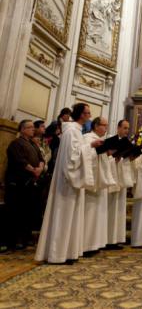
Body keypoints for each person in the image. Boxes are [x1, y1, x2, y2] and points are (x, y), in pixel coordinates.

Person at [35, 103, 102, 264]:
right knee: (63, 217)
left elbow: (78, 152)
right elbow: (72, 157)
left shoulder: (76, 131)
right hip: (67, 182)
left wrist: (89, 147)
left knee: (71, 217)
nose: (89, 116)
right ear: (81, 115)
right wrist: (91, 146)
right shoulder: (71, 131)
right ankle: (57, 254)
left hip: (73, 181)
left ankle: (68, 252)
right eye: (87, 113)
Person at [4, 120, 44, 251]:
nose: (33, 129)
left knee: (28, 212)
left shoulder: (33, 144)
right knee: (15, 212)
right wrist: (33, 170)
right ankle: (13, 241)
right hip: (18, 183)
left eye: (33, 127)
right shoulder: (15, 143)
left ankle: (24, 239)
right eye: (30, 127)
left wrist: (40, 168)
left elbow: (41, 159)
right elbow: (20, 160)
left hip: (31, 183)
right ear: (22, 129)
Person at [82, 117, 115, 256]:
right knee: (89, 213)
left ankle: (96, 243)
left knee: (99, 213)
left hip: (101, 181)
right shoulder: (87, 138)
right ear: (95, 126)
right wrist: (95, 148)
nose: (106, 128)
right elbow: (83, 155)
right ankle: (86, 245)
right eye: (103, 125)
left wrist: (108, 153)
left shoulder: (102, 139)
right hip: (92, 183)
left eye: (107, 126)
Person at [106, 119, 133, 249]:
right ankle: (107, 239)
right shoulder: (110, 141)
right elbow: (104, 158)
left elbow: (129, 159)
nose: (126, 131)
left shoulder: (128, 143)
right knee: (110, 209)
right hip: (111, 178)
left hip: (121, 179)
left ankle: (116, 239)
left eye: (128, 128)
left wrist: (131, 158)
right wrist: (113, 158)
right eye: (125, 128)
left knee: (120, 209)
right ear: (118, 128)